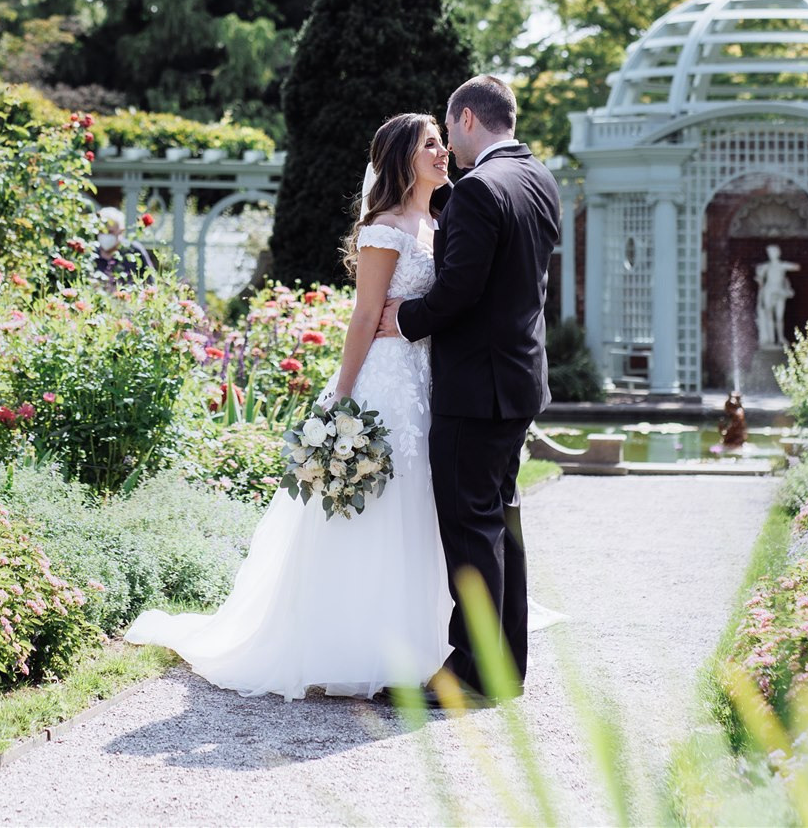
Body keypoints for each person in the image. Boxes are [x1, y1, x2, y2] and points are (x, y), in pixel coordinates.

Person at [123, 114, 454, 699]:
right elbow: (363, 315)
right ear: (404, 157)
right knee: (373, 509)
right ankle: (352, 646)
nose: (443, 151)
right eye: (431, 143)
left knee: (417, 507)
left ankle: (416, 642)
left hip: (424, 378)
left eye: (442, 141)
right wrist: (343, 401)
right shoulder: (385, 228)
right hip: (383, 382)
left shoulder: (437, 220)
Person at [379, 74, 559, 702]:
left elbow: (460, 292)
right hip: (519, 380)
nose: (447, 147)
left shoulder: (480, 189)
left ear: (466, 121)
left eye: (448, 131)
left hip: (476, 386)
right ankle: (506, 662)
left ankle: (473, 668)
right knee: (500, 521)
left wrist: (400, 319)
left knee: (469, 524)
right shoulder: (540, 179)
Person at [92, 206, 157, 286]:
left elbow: (151, 282)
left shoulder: (134, 251)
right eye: (101, 231)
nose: (105, 235)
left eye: (110, 232)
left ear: (121, 231)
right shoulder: (91, 254)